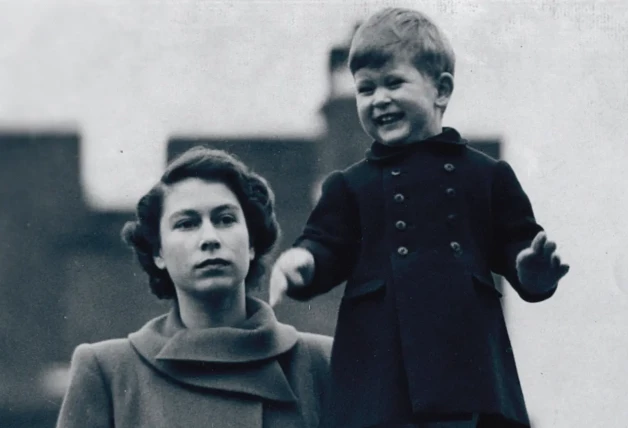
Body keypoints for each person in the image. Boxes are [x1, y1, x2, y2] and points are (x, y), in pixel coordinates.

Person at [270, 7, 569, 428]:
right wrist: (304, 262)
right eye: (365, 89)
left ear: (441, 90)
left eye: (394, 83)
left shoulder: (486, 175)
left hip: (467, 373)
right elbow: (326, 243)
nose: (379, 99)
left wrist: (530, 269)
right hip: (379, 374)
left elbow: (517, 241)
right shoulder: (350, 185)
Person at [56, 147, 333, 428]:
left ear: (251, 244)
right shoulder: (109, 370)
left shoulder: (320, 362)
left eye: (225, 220)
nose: (209, 238)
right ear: (158, 253)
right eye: (187, 224)